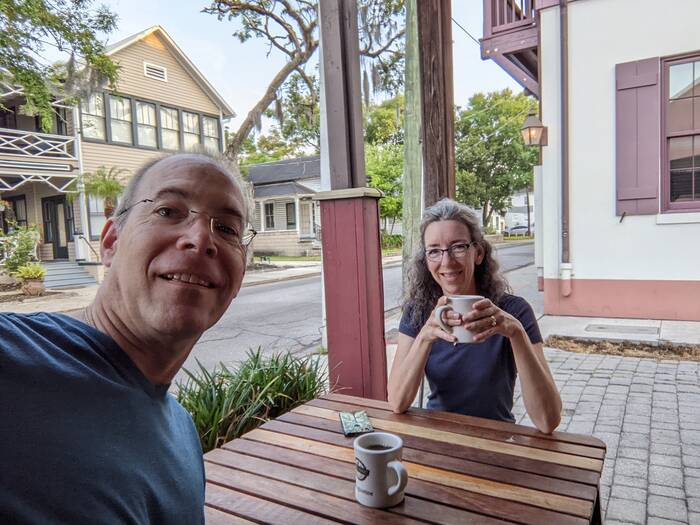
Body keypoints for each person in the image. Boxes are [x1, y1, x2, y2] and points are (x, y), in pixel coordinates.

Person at [0, 152, 255, 523]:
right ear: (111, 243)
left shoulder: (182, 433)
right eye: (168, 211)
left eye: (228, 229)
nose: (201, 239)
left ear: (239, 276)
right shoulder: (11, 356)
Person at [387, 198, 561, 434]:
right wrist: (426, 336)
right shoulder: (418, 312)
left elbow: (547, 421)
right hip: (437, 436)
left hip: (496, 438)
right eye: (434, 251)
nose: (447, 262)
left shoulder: (513, 312)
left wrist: (516, 332)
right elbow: (397, 402)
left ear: (478, 253)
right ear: (426, 260)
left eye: (458, 247)